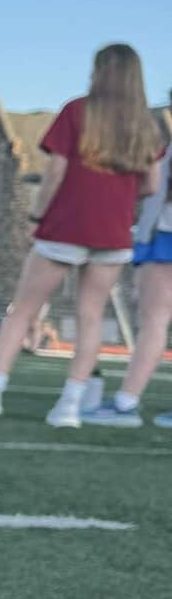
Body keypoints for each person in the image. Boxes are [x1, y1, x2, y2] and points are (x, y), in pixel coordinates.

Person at [0, 45, 162, 428]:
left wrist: (36, 215)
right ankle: (69, 406)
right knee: (90, 316)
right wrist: (119, 197)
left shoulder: (77, 110)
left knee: (22, 311)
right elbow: (151, 184)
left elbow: (55, 175)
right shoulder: (145, 126)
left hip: (66, 225)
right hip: (112, 234)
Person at [82, 126, 172, 426]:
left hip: (165, 235)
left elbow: (153, 187)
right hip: (159, 234)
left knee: (154, 320)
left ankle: (125, 403)